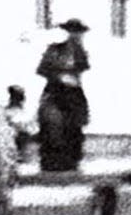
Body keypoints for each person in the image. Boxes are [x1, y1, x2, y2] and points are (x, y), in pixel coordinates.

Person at [36, 18, 90, 172]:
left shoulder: (80, 53)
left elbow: (81, 70)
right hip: (55, 91)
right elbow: (42, 69)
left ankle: (71, 163)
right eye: (73, 32)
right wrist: (59, 76)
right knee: (52, 125)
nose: (76, 35)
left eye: (79, 32)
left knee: (73, 126)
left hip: (73, 94)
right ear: (68, 33)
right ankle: (51, 163)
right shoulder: (55, 50)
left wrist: (73, 80)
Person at [4, 84, 32, 160]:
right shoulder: (6, 112)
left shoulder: (25, 112)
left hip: (24, 142)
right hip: (11, 141)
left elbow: (30, 129)